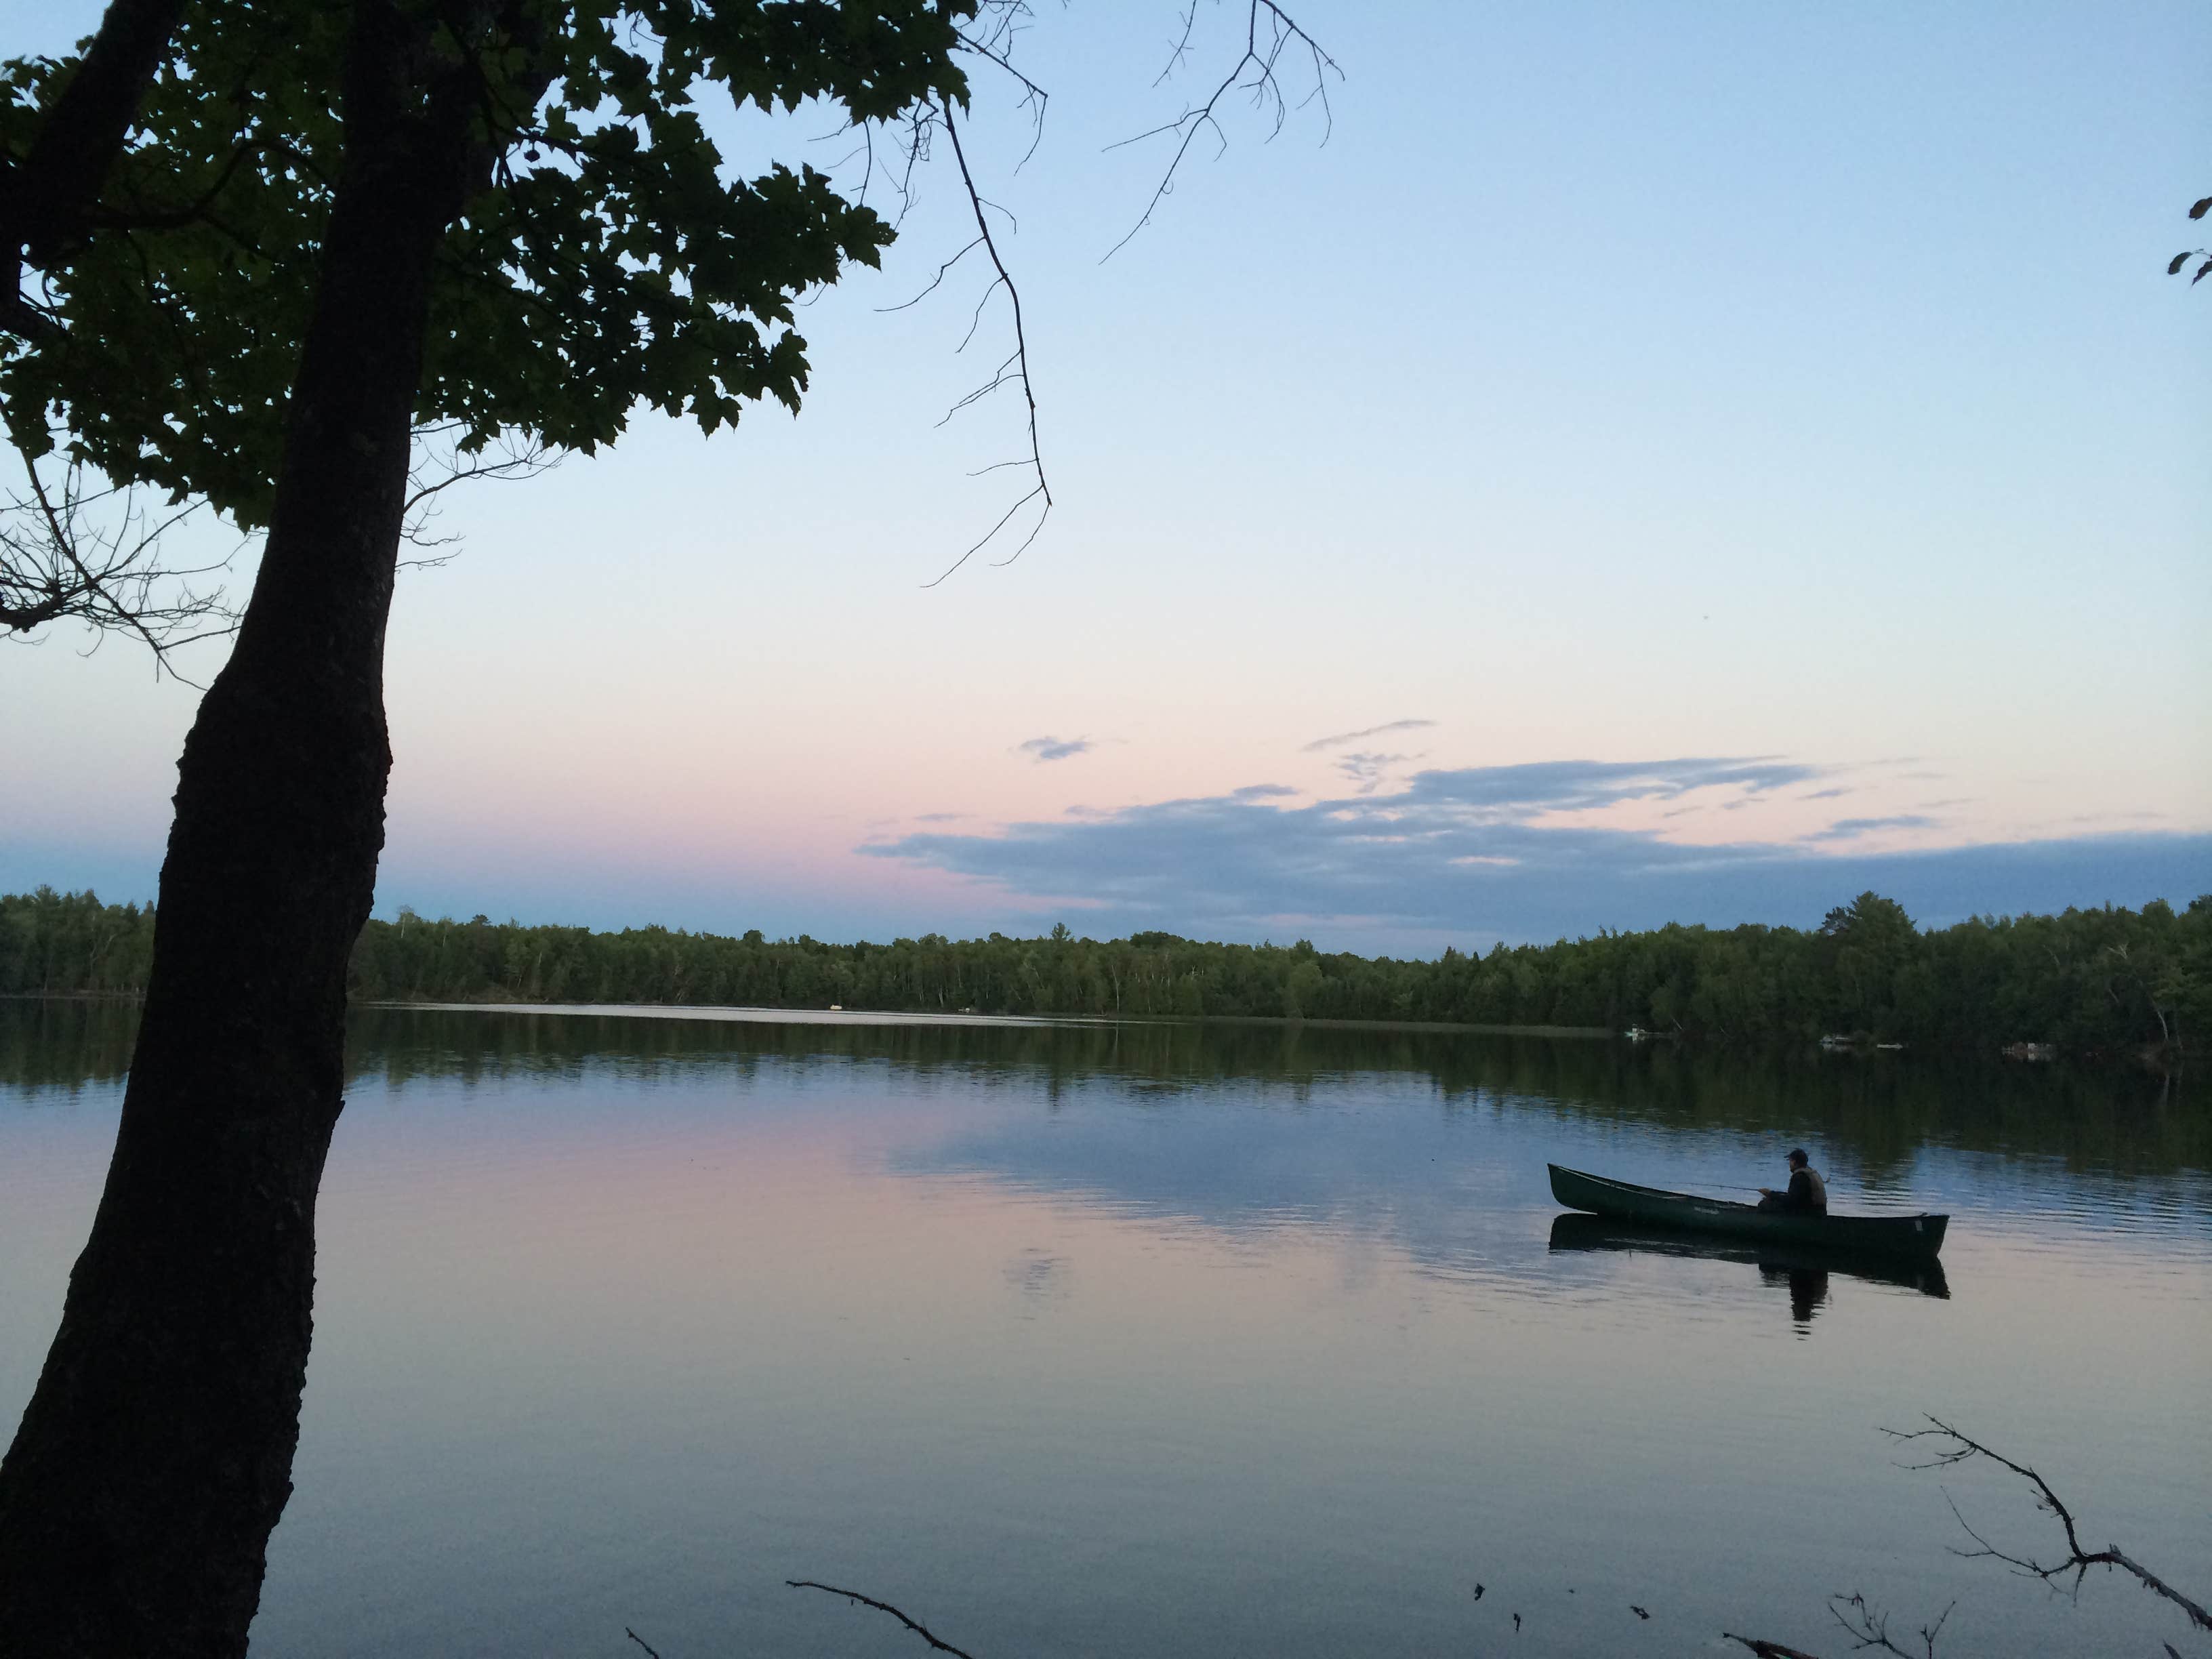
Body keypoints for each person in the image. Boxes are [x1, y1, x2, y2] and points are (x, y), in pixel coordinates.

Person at [1757, 1148, 1828, 1215]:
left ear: (1794, 1162)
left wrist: (1770, 1194)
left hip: (1810, 1213)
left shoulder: (1800, 1177)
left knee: (1764, 1204)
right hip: (1820, 1211)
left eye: (1790, 1161)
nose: (1790, 1164)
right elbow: (1798, 1197)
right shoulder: (1811, 1173)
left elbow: (1791, 1201)